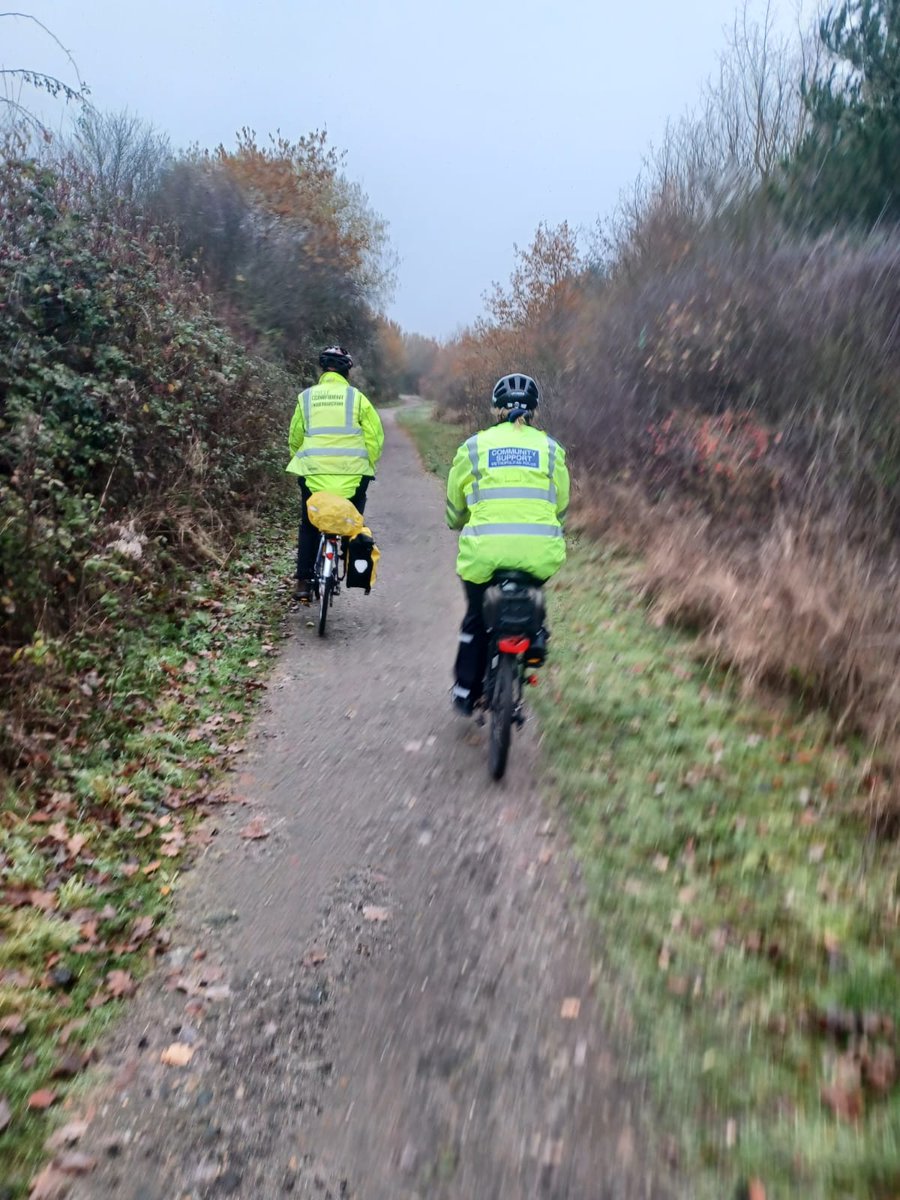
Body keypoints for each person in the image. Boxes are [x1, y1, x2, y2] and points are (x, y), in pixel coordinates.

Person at [445, 373, 569, 714]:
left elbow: (456, 507)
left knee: (475, 616)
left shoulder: (473, 447)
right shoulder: (550, 449)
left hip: (485, 556)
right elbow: (560, 506)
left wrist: (457, 520)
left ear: (496, 409)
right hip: (538, 554)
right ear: (534, 412)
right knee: (532, 600)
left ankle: (465, 691)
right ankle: (534, 638)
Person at [286, 346, 384, 602]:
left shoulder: (306, 398)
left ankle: (303, 582)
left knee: (308, 524)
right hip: (352, 480)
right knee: (353, 522)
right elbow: (375, 438)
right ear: (347, 371)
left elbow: (295, 439)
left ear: (322, 369)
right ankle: (347, 560)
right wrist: (368, 464)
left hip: (314, 478)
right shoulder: (357, 399)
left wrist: (303, 461)